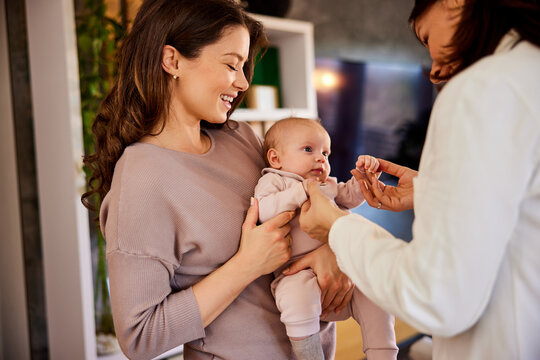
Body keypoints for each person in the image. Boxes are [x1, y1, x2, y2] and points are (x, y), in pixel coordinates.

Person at [81, 0, 353, 359]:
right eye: (231, 64)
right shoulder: (142, 180)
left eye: (243, 67)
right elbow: (140, 337)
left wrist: (334, 250)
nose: (242, 83)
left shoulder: (240, 137)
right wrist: (246, 265)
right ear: (172, 61)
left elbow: (300, 205)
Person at [297, 0, 540, 359]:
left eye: (427, 38)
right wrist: (434, 189)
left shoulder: (484, 88)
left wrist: (336, 227)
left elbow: (437, 297)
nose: (433, 70)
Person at [254, 117, 398, 360]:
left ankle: (382, 353)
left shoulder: (327, 184)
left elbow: (349, 197)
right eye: (309, 150)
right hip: (296, 272)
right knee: (295, 297)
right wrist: (301, 191)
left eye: (326, 153)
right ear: (275, 159)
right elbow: (265, 210)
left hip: (341, 270)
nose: (321, 158)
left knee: (375, 291)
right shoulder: (274, 181)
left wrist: (363, 177)